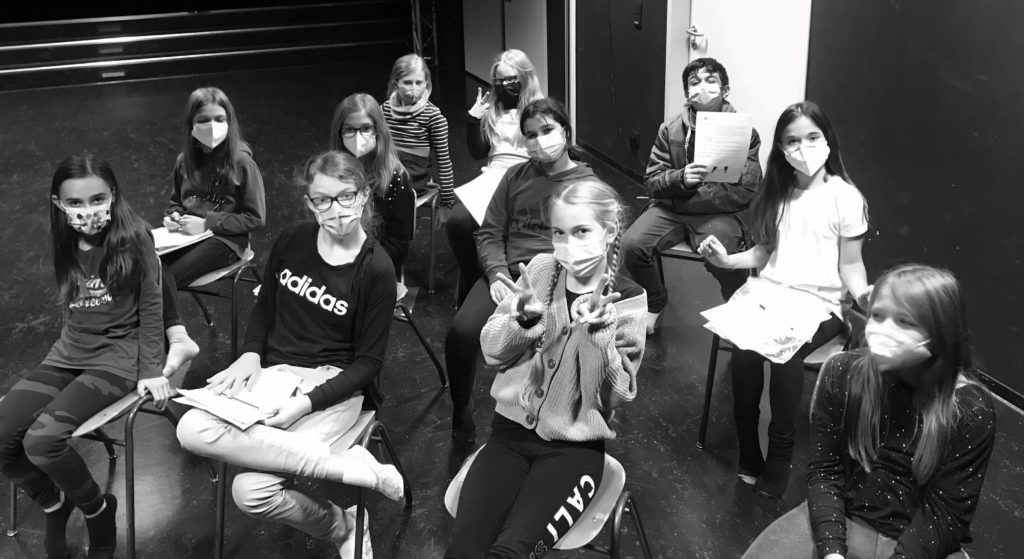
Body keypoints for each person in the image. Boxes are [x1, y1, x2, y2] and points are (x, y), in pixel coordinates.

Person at [175, 151, 404, 557]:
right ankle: (345, 473)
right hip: (273, 377)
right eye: (323, 200)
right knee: (190, 427)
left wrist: (304, 404)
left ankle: (345, 526)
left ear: (364, 196)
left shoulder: (377, 269)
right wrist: (250, 355)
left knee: (250, 491)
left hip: (330, 389)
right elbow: (265, 307)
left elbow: (369, 364)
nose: (336, 210)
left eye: (346, 196)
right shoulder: (293, 239)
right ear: (309, 203)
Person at [445, 178, 646, 558]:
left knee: (511, 552)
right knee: (464, 551)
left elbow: (612, 397)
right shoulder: (540, 270)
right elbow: (491, 351)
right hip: (508, 434)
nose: (568, 243)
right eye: (559, 232)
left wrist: (598, 337)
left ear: (609, 231)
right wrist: (520, 323)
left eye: (581, 231)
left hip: (574, 449)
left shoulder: (628, 300)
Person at [742, 264, 997, 559]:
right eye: (877, 315)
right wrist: (832, 551)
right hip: (841, 519)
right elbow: (826, 472)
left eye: (904, 321)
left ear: (940, 332)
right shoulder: (843, 371)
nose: (884, 330)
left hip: (918, 542)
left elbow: (944, 517)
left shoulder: (970, 408)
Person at [0, 154, 172, 559]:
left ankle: (97, 511)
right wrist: (65, 348)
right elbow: (73, 301)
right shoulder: (63, 237)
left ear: (113, 195)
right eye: (75, 203)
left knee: (42, 441)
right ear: (58, 204)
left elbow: (153, 305)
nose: (87, 211)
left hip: (119, 357)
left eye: (97, 199)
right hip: (70, 353)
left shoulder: (135, 237)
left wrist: (151, 369)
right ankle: (53, 504)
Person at [699, 101, 869, 499]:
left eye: (812, 137)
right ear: (781, 147)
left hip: (821, 305)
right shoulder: (778, 193)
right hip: (769, 295)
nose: (803, 147)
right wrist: (726, 260)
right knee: (744, 351)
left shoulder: (846, 197)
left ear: (828, 140)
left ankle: (779, 458)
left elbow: (851, 264)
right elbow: (763, 252)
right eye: (792, 140)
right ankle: (749, 452)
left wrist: (864, 294)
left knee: (784, 353)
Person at [445, 97, 598, 443]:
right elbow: (490, 233)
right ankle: (461, 407)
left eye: (547, 130)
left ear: (566, 131)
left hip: (558, 280)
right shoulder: (515, 175)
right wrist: (497, 274)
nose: (539, 140)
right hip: (511, 278)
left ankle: (553, 413)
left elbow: (592, 246)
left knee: (555, 348)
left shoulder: (586, 184)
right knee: (461, 334)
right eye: (530, 135)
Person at [622, 57, 762, 335]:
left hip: (717, 213)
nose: (702, 87)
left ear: (725, 89)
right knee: (632, 246)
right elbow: (652, 182)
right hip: (670, 209)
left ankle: (738, 311)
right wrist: (680, 178)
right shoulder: (670, 130)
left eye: (711, 81)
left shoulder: (745, 133)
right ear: (687, 92)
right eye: (694, 82)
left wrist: (683, 196)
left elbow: (745, 190)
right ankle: (656, 300)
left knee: (727, 254)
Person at [162, 86, 265, 371]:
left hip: (227, 240)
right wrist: (173, 216)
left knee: (161, 280)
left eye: (219, 119)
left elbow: (255, 218)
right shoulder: (184, 162)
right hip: (186, 238)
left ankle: (169, 346)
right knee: (148, 268)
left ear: (230, 121)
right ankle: (170, 342)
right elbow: (177, 201)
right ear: (191, 124)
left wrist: (208, 223)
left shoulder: (242, 163)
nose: (212, 126)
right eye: (203, 120)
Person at [446, 48, 544, 304]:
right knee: (457, 221)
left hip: (525, 176)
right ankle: (473, 278)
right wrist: (473, 119)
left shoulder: (540, 111)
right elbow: (478, 153)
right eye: (499, 81)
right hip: (492, 176)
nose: (504, 86)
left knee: (512, 226)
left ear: (524, 78)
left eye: (511, 79)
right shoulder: (493, 109)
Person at [330, 92, 414, 275]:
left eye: (366, 128)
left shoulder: (396, 179)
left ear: (378, 130)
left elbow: (398, 244)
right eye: (349, 129)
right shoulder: (333, 171)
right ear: (339, 132)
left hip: (375, 266)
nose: (358, 136)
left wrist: (359, 265)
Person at [382, 53, 455, 208]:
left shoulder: (434, 117)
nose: (413, 88)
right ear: (396, 83)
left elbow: (444, 162)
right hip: (387, 171)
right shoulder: (385, 109)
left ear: (426, 84)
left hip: (412, 179)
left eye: (418, 82)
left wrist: (447, 203)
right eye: (407, 82)